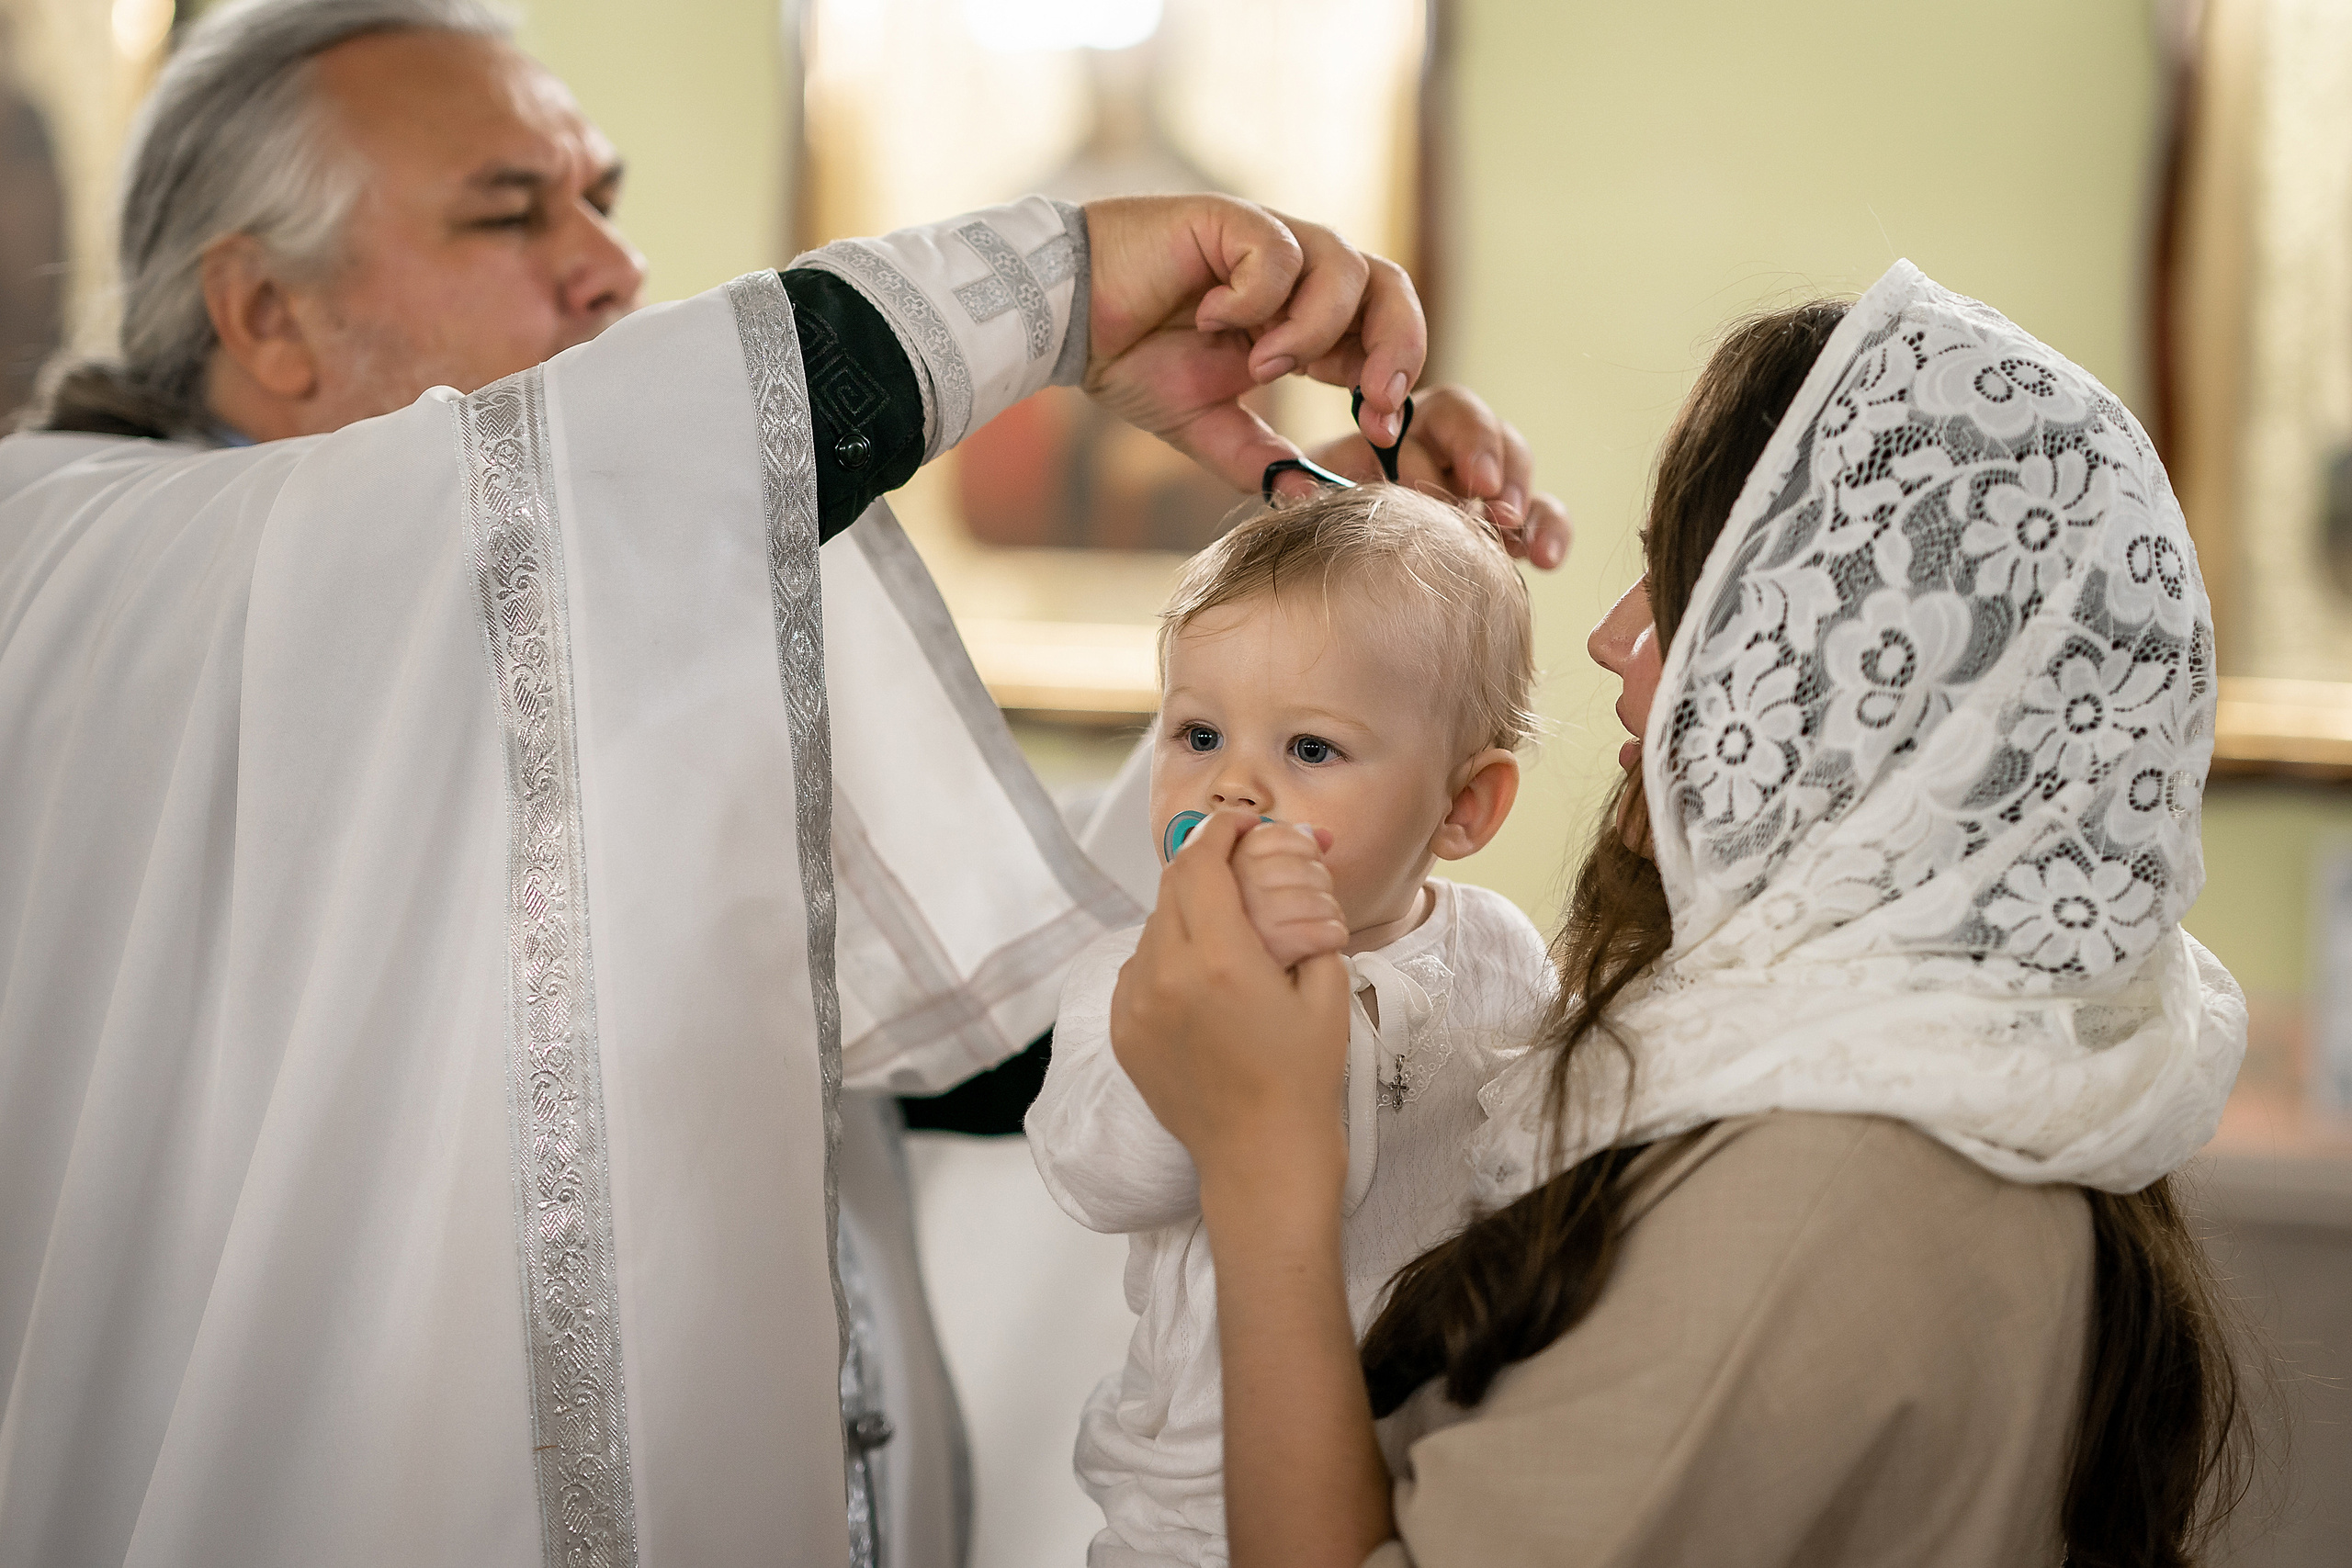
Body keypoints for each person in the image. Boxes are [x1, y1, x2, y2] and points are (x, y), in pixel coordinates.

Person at [0, 0, 1572, 1563]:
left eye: (601, 198)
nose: (610, 264)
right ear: (266, 312)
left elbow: (1009, 1028)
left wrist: (1360, 622)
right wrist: (1058, 291)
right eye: (510, 211)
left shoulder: (624, 610)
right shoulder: (84, 560)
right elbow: (487, 517)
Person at [1109, 262, 2253, 1568]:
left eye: (1682, 587)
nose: (1610, 635)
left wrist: (1262, 1163)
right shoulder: (1935, 1068)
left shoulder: (1805, 1198)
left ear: (1856, 688)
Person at [1027, 486, 1554, 1567]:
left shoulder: (1497, 948)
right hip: (1197, 1512)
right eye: (1198, 734)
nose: (1232, 787)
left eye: (1309, 749)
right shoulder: (1142, 974)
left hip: (1448, 1472)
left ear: (1462, 808)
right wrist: (1210, 1009)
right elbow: (1098, 1180)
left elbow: (1552, 1154)